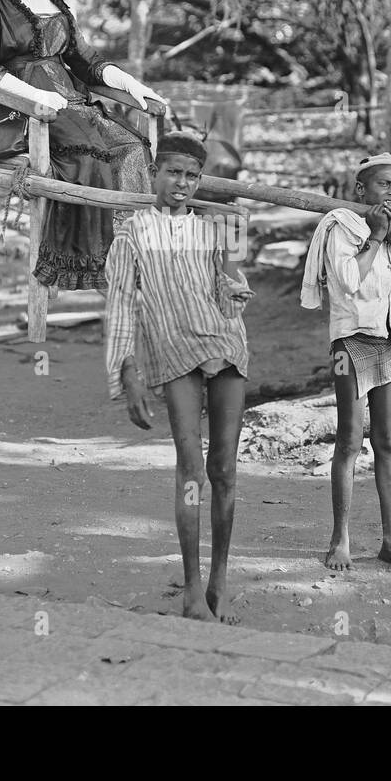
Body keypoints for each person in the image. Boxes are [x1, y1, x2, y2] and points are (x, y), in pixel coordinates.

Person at [0, 0, 166, 290]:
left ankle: (133, 253)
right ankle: (91, 264)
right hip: (20, 111)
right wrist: (34, 95)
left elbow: (86, 62)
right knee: (88, 155)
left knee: (131, 147)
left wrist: (131, 84)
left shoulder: (58, 5)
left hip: (71, 104)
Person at [104, 132, 253, 622]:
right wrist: (129, 373)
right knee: (192, 469)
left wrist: (235, 285)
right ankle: (191, 590)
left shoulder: (212, 230)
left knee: (226, 470)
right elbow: (122, 304)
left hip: (226, 346)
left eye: (191, 175)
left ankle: (219, 582)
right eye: (173, 172)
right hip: (174, 354)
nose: (182, 183)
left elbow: (226, 290)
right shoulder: (131, 233)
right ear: (155, 174)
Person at [300, 152, 391, 575]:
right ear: (361, 190)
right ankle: (341, 539)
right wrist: (375, 237)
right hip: (350, 346)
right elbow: (348, 280)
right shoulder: (342, 226)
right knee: (349, 441)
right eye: (384, 185)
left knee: (389, 445)